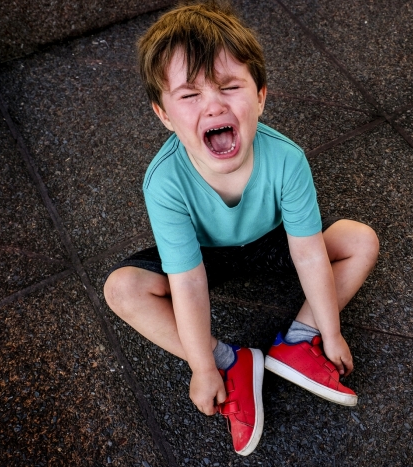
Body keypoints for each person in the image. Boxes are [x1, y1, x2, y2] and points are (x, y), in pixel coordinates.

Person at [102, 0, 379, 457]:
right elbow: (188, 282)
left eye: (229, 87)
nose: (212, 106)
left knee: (360, 240)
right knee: (121, 290)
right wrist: (201, 366)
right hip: (203, 256)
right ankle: (230, 362)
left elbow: (308, 252)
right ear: (164, 115)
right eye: (190, 96)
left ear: (260, 96)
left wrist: (329, 331)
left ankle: (297, 343)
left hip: (274, 242)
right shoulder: (164, 181)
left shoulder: (286, 158)